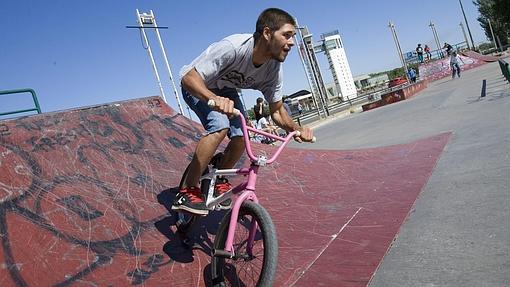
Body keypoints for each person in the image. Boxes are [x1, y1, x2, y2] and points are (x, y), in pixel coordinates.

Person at [172, 8, 314, 215]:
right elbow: (188, 78)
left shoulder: (273, 70)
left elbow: (277, 111)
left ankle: (219, 175)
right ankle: (187, 189)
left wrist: (297, 128)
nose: (292, 42)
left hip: (226, 90)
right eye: (287, 35)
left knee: (242, 134)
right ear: (267, 33)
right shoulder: (234, 47)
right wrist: (213, 98)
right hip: (198, 86)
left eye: (293, 36)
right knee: (220, 126)